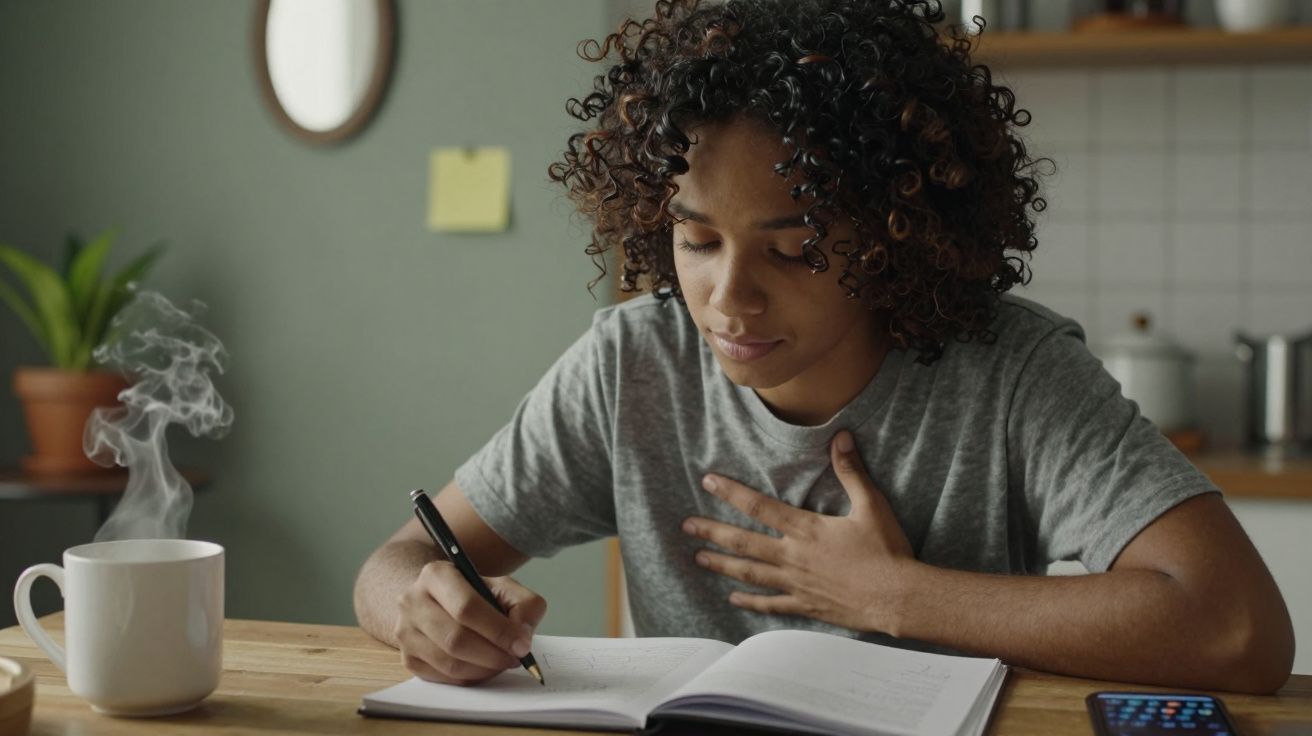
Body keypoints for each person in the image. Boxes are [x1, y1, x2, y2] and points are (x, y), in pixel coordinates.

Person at [354, 0, 1295, 694]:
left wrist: (895, 596)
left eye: (794, 248)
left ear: (894, 232)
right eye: (696, 240)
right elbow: (394, 562)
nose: (728, 298)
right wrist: (424, 613)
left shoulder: (1011, 372)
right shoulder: (631, 365)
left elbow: (1238, 630)